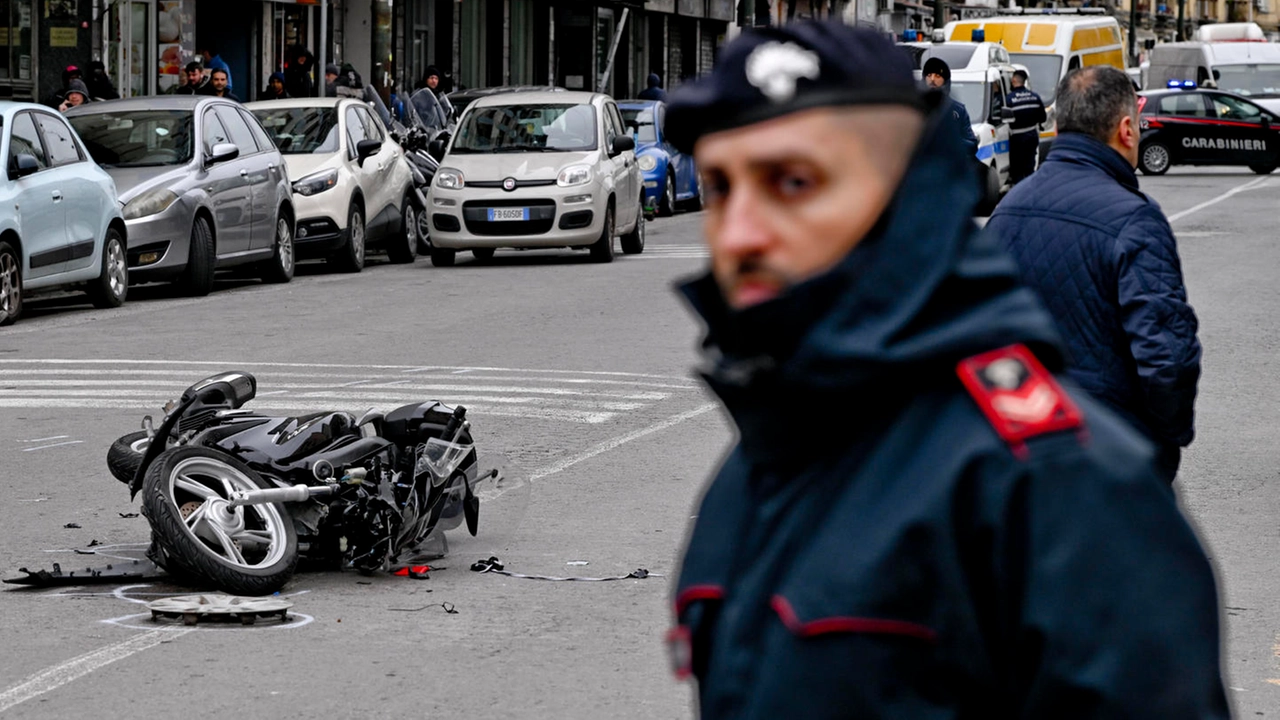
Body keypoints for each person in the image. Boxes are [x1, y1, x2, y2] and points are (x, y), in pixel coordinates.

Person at [662, 21, 1227, 717]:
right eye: (721, 187)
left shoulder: (1066, 491)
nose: (741, 230)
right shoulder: (758, 466)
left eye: (794, 181)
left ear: (901, 196)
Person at [987, 66, 1201, 484]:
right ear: (1126, 129)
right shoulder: (1134, 219)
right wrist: (1163, 442)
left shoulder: (1008, 210)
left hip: (1020, 454)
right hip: (1111, 457)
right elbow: (1167, 359)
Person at [922, 56, 978, 158]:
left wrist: (951, 140)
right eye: (929, 75)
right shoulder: (914, 107)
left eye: (938, 76)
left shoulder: (957, 110)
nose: (932, 79)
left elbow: (972, 146)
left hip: (950, 168)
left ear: (945, 80)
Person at [1006, 69, 1046, 183]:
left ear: (1013, 80)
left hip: (1017, 139)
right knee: (1029, 166)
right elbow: (1043, 118)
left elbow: (1004, 119)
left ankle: (1019, 192)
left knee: (1017, 169)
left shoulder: (1009, 99)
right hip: (1032, 136)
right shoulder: (1035, 97)